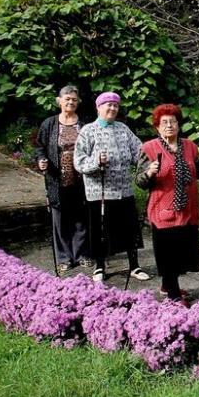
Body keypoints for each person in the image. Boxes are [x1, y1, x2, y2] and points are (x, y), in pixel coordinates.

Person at [136, 104, 199, 302]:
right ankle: (173, 297)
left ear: (179, 124)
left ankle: (167, 286)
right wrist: (149, 173)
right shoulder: (148, 148)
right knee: (169, 255)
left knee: (181, 254)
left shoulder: (190, 146)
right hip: (162, 211)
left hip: (187, 210)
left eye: (172, 121)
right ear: (156, 127)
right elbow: (140, 181)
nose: (169, 125)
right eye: (164, 122)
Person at [73, 91, 150, 283]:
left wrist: (151, 165)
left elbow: (139, 152)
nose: (113, 108)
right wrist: (96, 162)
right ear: (98, 107)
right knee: (100, 231)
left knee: (129, 229)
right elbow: (79, 161)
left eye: (116, 105)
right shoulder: (88, 131)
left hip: (124, 190)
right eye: (108, 105)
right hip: (99, 192)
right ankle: (99, 266)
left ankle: (134, 266)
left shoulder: (123, 129)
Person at [34, 85, 91, 271]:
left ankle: (82, 254)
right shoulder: (49, 124)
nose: (70, 102)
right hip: (57, 179)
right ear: (59, 101)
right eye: (67, 98)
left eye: (74, 99)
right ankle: (64, 258)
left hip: (81, 178)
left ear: (78, 102)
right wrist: (42, 160)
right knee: (60, 218)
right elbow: (40, 146)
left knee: (81, 217)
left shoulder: (84, 123)